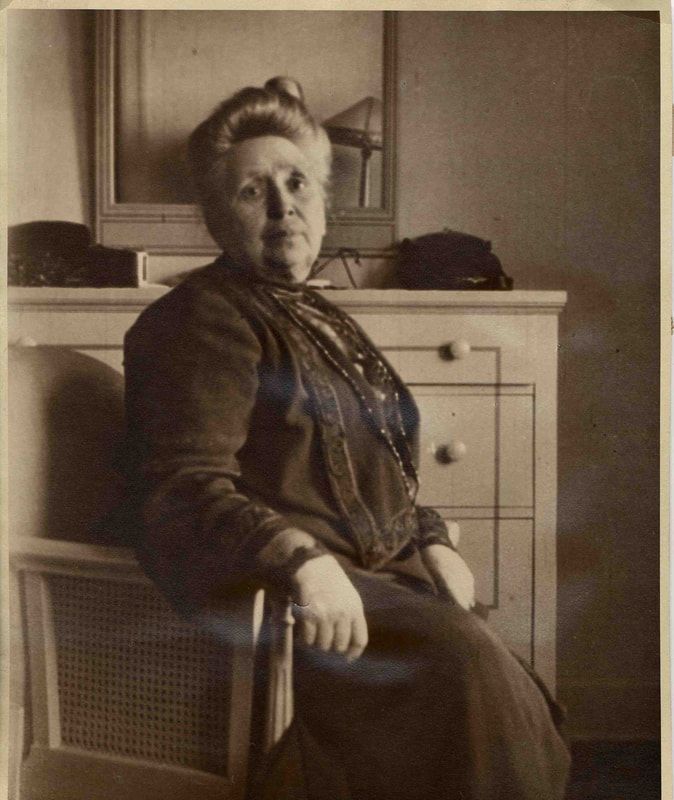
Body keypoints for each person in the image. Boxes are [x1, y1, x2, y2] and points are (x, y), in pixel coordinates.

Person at [122, 77, 570, 800]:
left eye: (298, 182)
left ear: (324, 201)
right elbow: (182, 486)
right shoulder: (199, 319)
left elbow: (375, 472)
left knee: (491, 659)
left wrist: (431, 539)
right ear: (214, 219)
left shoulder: (321, 317)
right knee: (463, 662)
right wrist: (303, 562)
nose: (282, 205)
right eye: (250, 192)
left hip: (376, 582)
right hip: (284, 609)